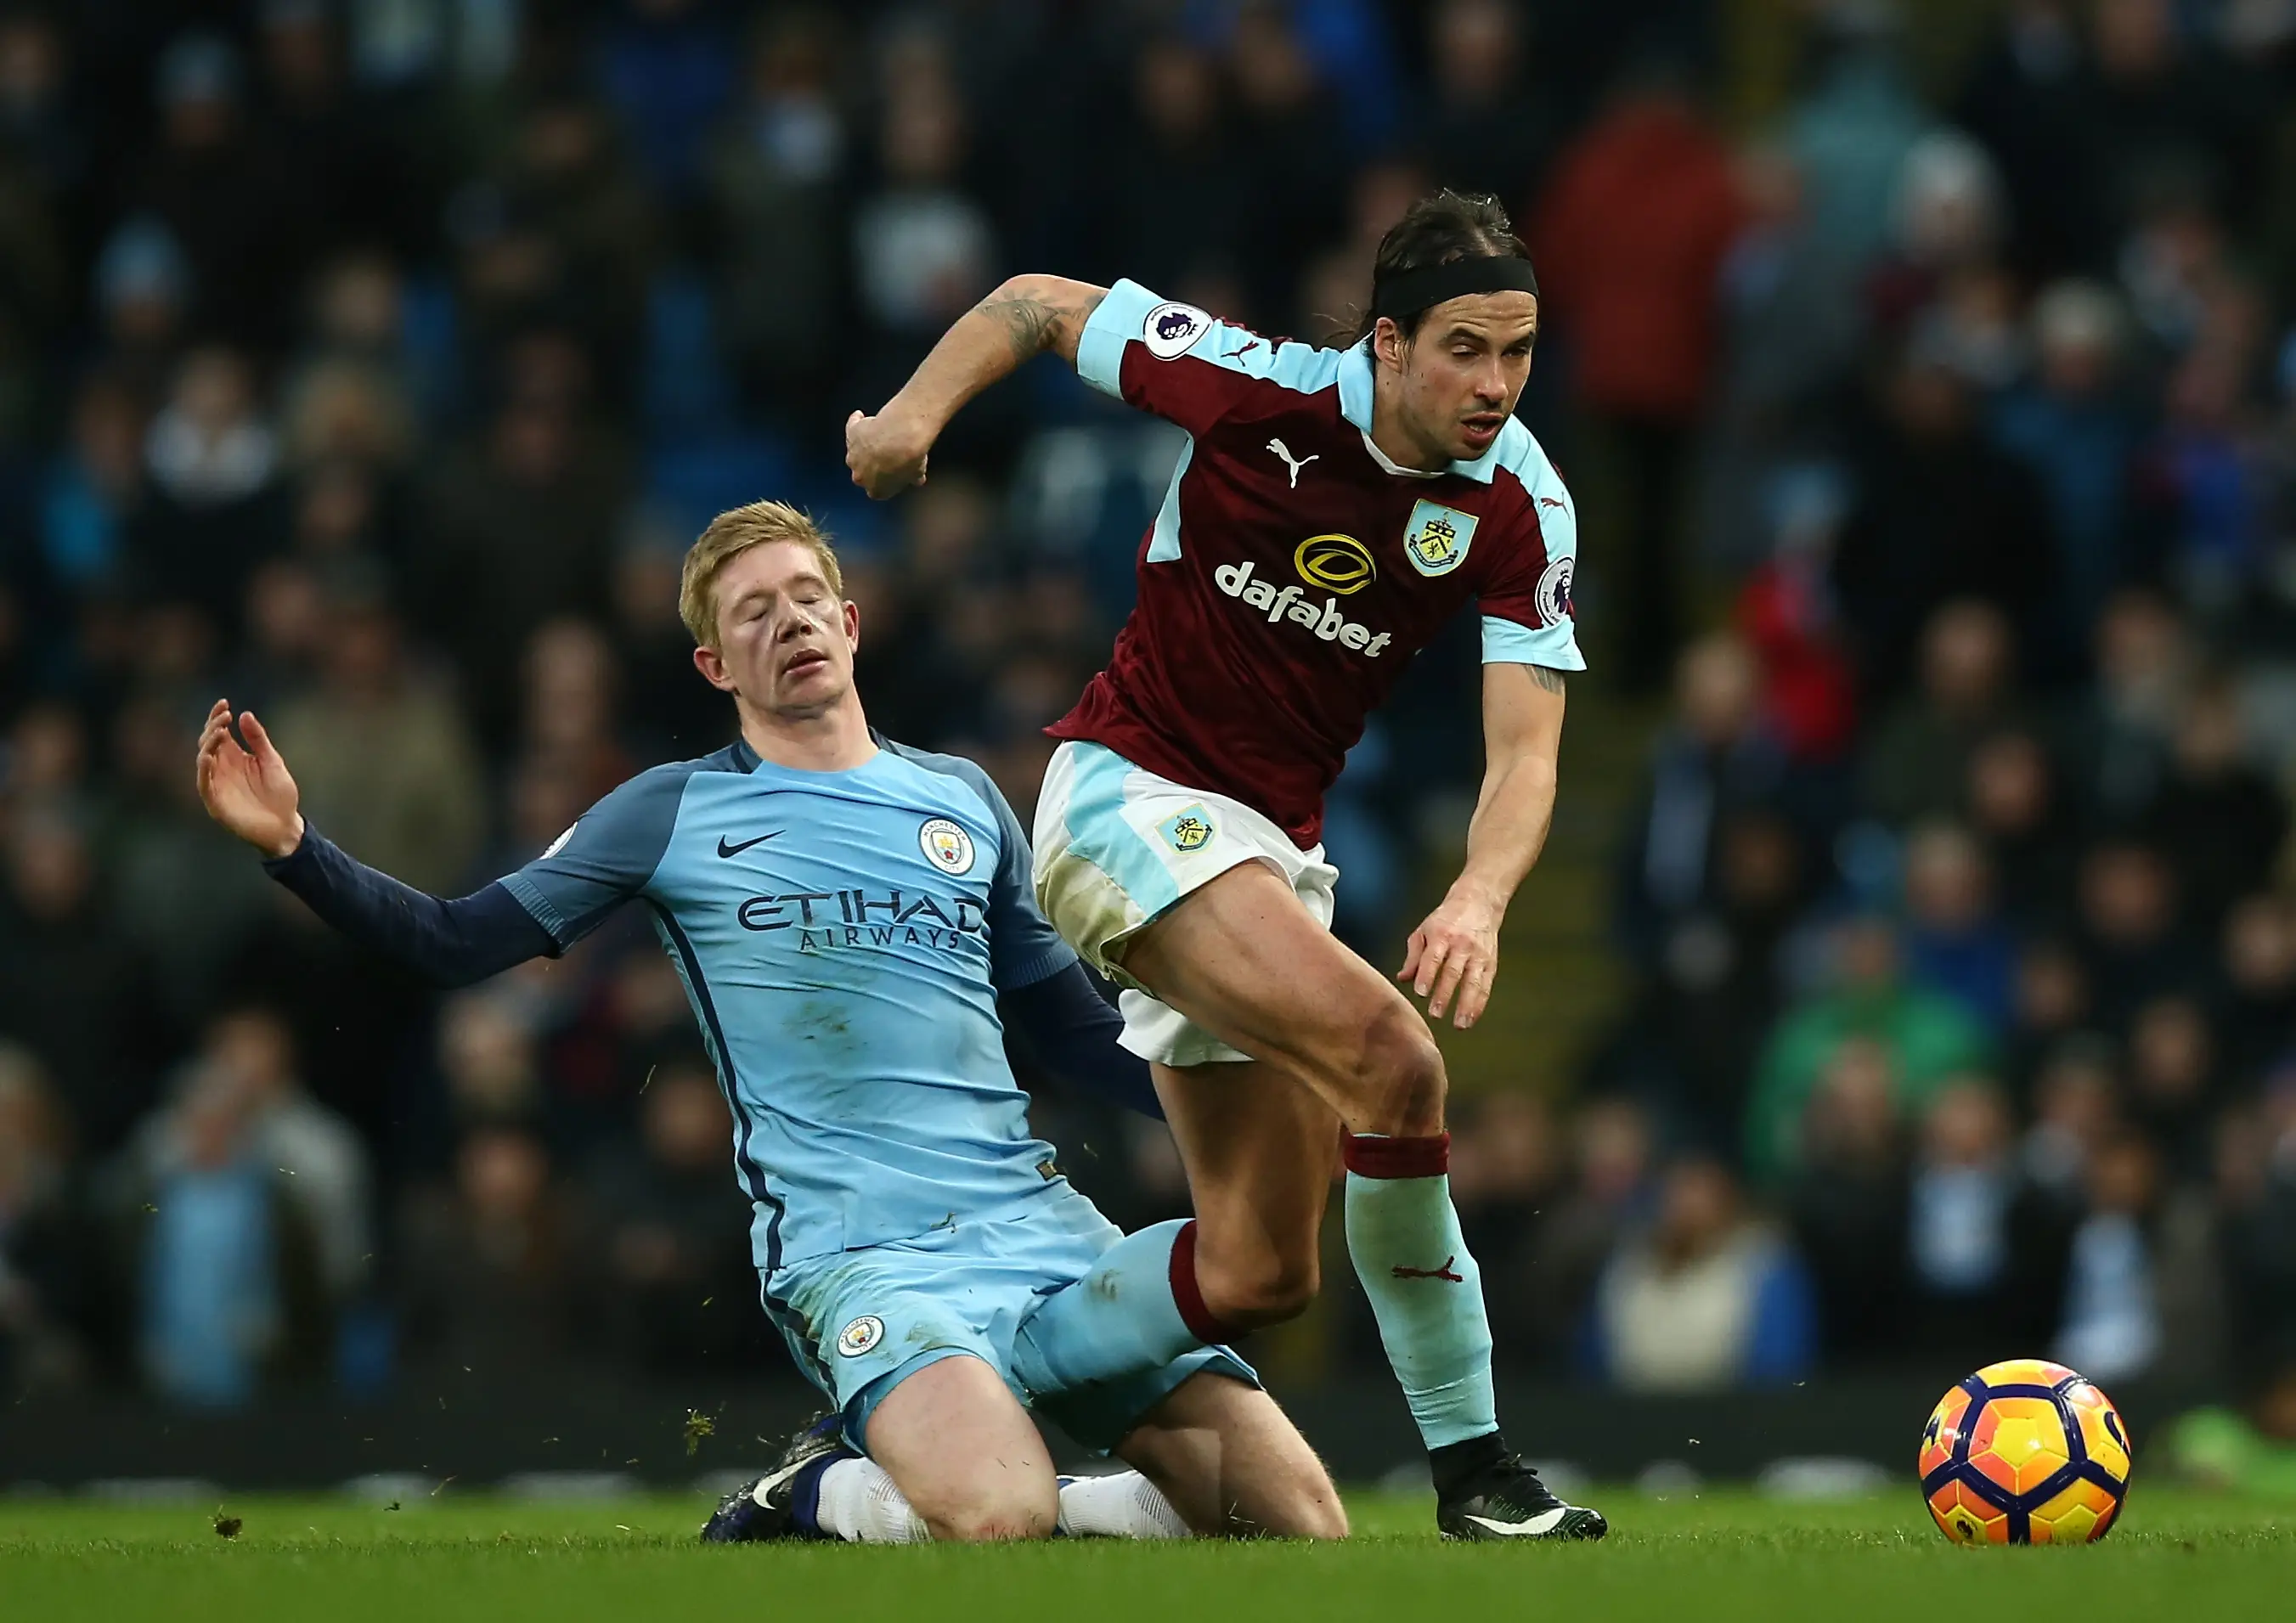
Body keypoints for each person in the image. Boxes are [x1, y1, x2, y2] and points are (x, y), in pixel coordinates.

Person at [195, 501, 1344, 1545]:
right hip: (861, 1256)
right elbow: (454, 941)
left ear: (848, 622)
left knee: (1301, 1523)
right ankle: (805, 1490)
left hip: (1040, 1233)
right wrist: (298, 851)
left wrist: (1264, 1100)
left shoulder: (962, 798)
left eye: (804, 597)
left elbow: (1075, 1032)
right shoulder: (671, 809)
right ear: (713, 660)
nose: (787, 620)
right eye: (754, 611)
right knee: (997, 1516)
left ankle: (1063, 1500)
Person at [845, 189, 1605, 1539]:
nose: (1496, 386)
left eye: (1520, 351)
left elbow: (1528, 755)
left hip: (1269, 844)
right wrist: (911, 416)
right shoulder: (1260, 390)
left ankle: (973, 1382)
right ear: (1386, 342)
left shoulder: (1518, 505)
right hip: (1126, 793)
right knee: (1396, 1059)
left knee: (1259, 1268)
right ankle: (1478, 1473)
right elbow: (1037, 298)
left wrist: (1480, 896)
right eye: (1465, 351)